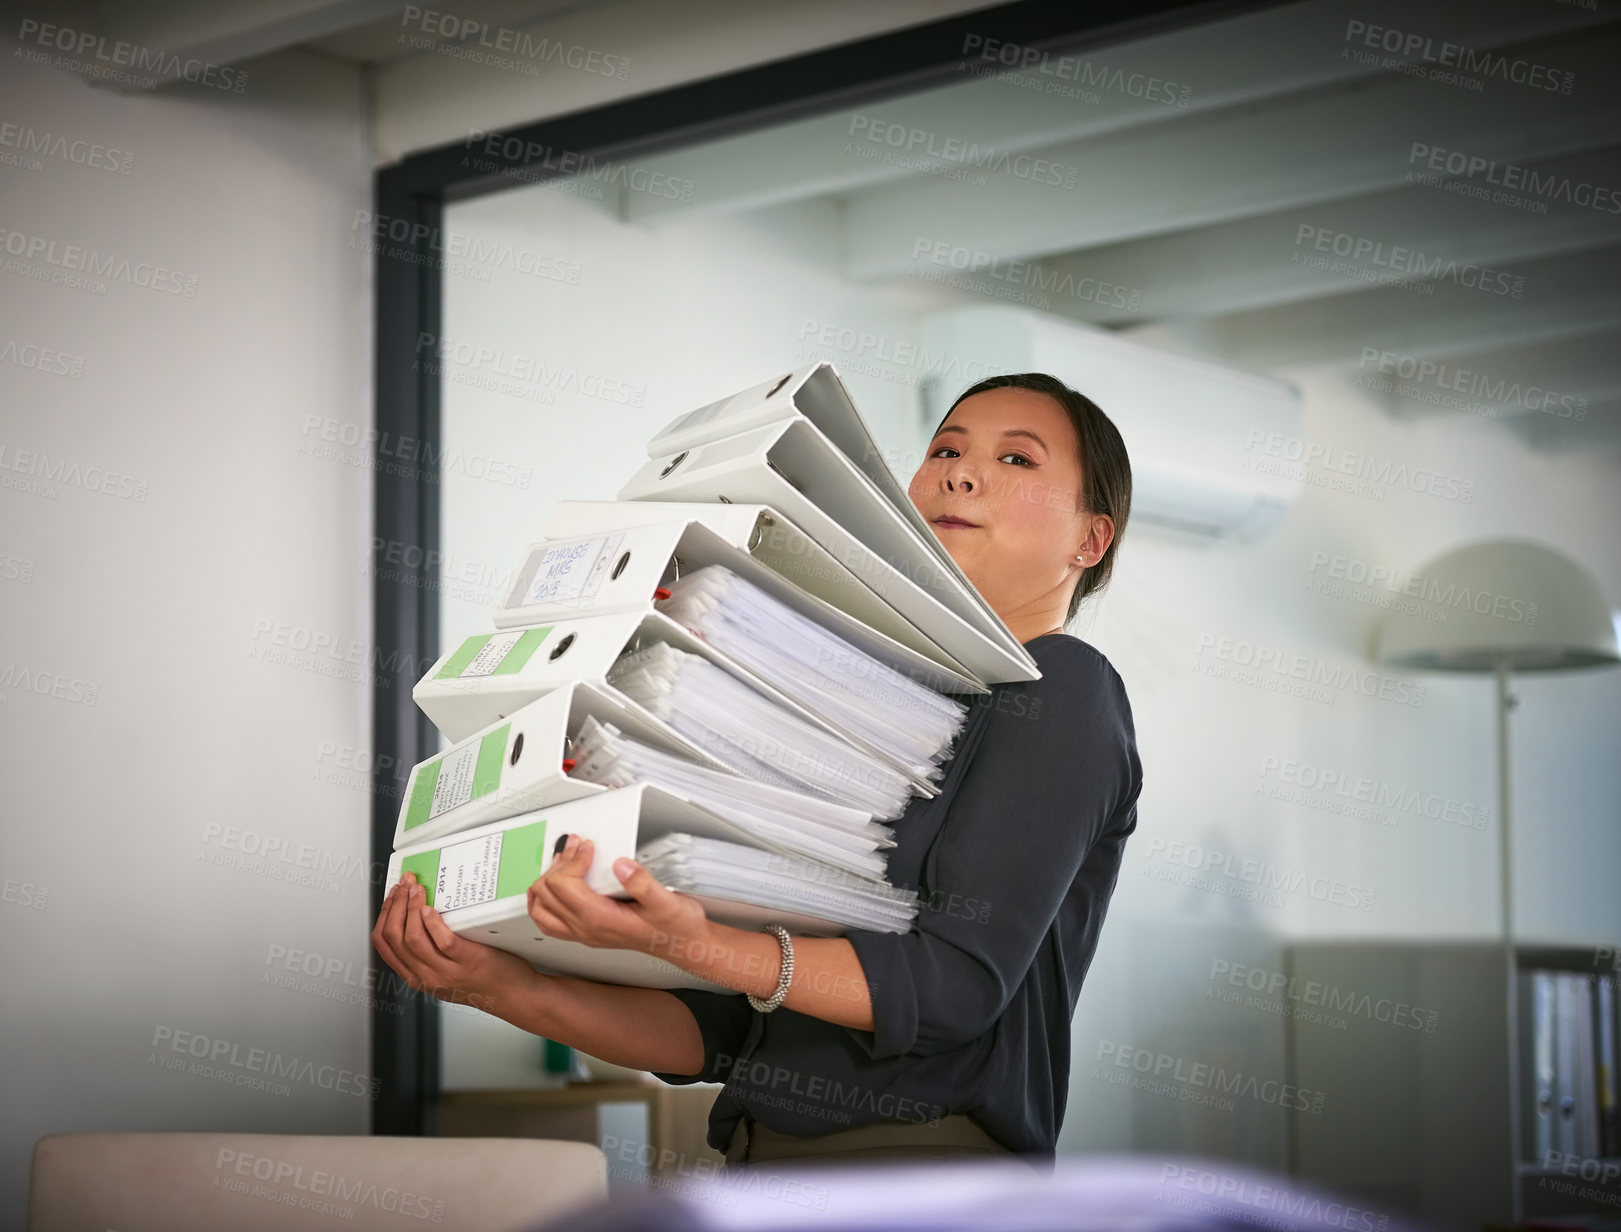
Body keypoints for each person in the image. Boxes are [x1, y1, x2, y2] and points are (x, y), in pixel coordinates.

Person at [371, 371, 1143, 1169]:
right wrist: (506, 988)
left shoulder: (1064, 688)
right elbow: (729, 1038)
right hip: (757, 1168)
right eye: (944, 448)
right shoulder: (878, 714)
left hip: (923, 1176)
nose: (958, 471)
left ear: (1089, 540)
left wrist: (700, 945)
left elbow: (951, 988)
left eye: (1017, 461)